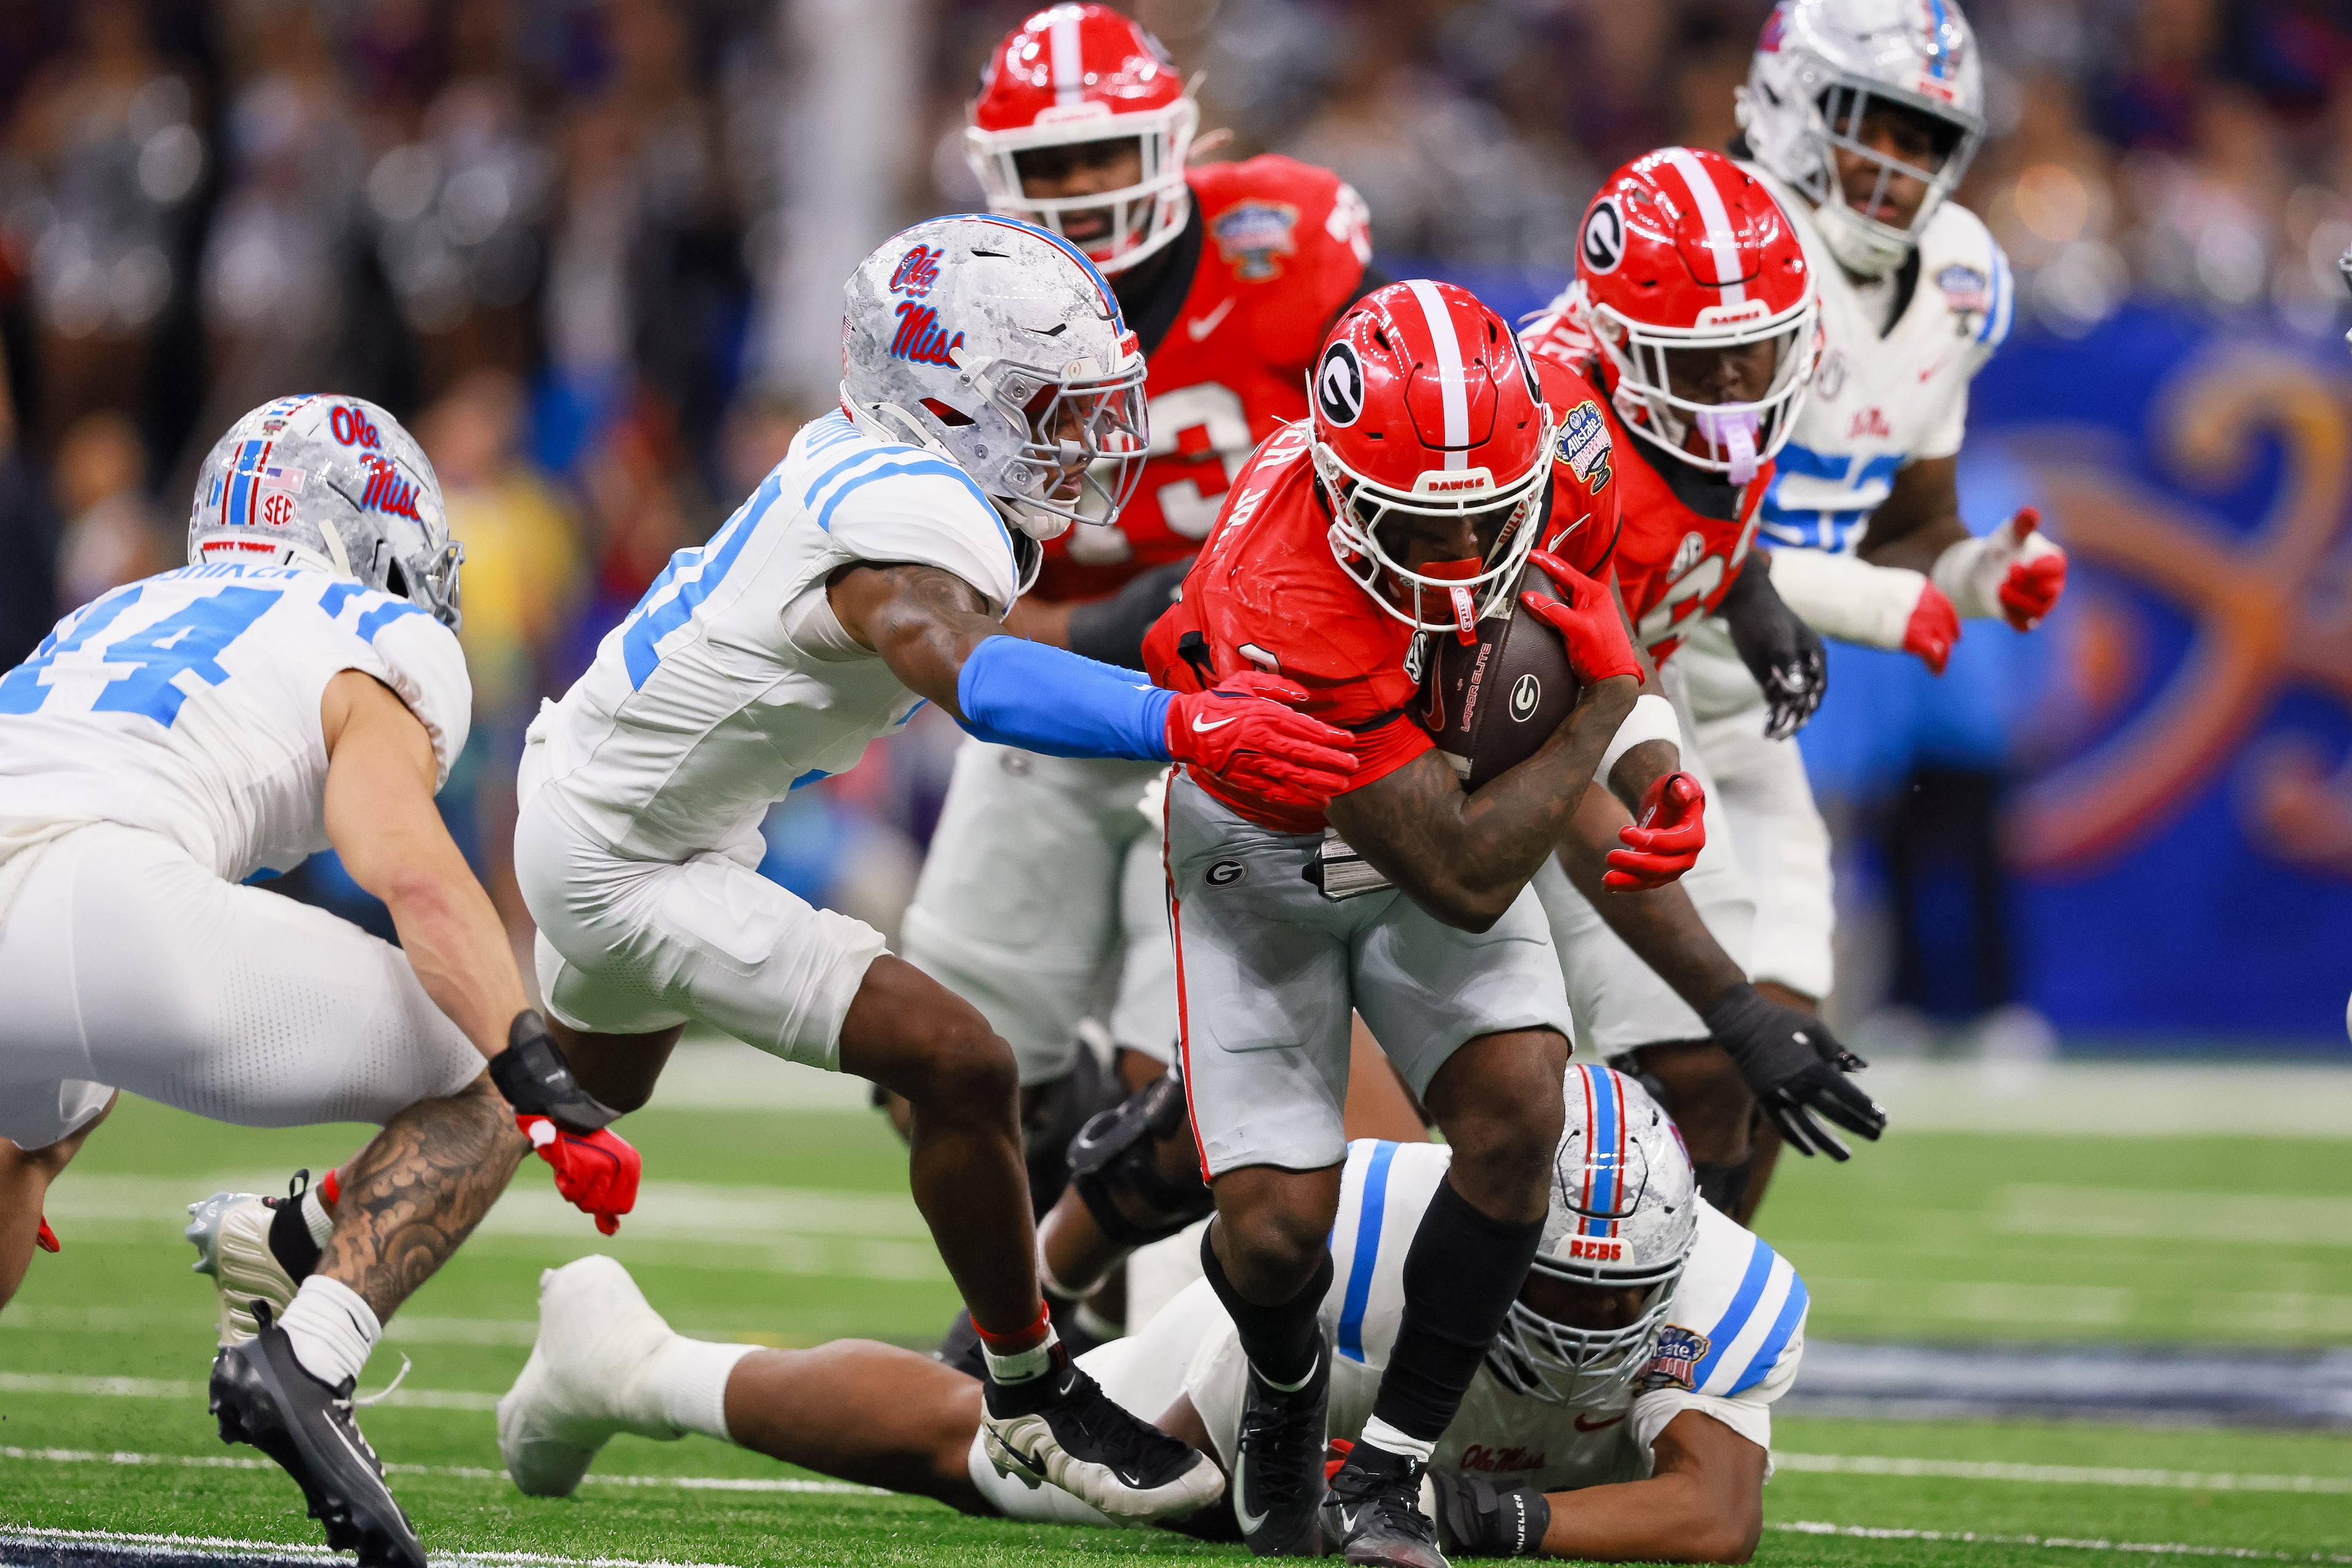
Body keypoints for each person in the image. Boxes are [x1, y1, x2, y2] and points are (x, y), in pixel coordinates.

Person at [507, 212, 1357, 1524]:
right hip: (629, 855)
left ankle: (318, 1231)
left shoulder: (880, 469)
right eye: (1049, 408)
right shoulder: (911, 511)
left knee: (585, 1083)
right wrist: (1179, 716)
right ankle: (1027, 1385)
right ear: (951, 401)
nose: (1082, 441)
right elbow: (965, 669)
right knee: (958, 1060)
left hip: (630, 806)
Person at [0, 394, 638, 1568]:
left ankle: (265, 1238)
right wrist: (530, 1068)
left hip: (51, 888)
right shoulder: (370, 633)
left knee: (29, 1144)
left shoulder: (114, 606)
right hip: (99, 901)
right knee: (478, 1074)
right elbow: (408, 866)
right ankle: (308, 1360)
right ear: (375, 527)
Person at [1137, 277, 1700, 1567]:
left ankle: (1386, 1471)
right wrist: (1609, 709)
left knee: (1521, 1111)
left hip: (1439, 795)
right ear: (1338, 485)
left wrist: (1650, 754)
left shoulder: (1570, 447)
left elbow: (1592, 621)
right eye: (1414, 529)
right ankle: (1282, 1377)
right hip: (1268, 840)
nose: (1453, 565)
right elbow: (1462, 872)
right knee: (1278, 1236)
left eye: (1479, 526)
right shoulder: (1281, 579)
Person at [495, 1066, 1804, 1566]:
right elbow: (1226, 1479)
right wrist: (1328, 1489)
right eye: (1554, 1286)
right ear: (1492, 1234)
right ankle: (631, 1364)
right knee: (1038, 1478)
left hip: (1423, 1430)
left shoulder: (1727, 1289)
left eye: (1612, 1297)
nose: (1583, 1325)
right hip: (1281, 1357)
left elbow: (1716, 1512)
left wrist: (1490, 1516)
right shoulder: (1380, 1240)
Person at [903, 4, 1381, 1165]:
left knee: (1176, 1089)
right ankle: (1041, 1269)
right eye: (1049, 163)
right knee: (935, 1059)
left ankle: (1104, 1257)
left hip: (1251, 706)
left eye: (1103, 151)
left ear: (1173, 140)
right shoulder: (956, 312)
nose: (1078, 186)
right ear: (992, 173)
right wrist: (1098, 625)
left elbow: (1389, 470)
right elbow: (930, 600)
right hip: (1061, 694)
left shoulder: (1290, 241)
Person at [1698, 0, 2062, 1214]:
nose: (1903, 165)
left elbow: (1910, 518)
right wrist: (1880, 601)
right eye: (1877, 127)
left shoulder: (1960, 275)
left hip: (1754, 718)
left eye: (1926, 136)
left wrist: (1974, 573)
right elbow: (1677, 538)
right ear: (1798, 102)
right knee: (1561, 1067)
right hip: (1613, 689)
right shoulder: (1724, 247)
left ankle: (1649, 1350)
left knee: (1780, 1046)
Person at [1518, 148, 1887, 1215]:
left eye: (1754, 353)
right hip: (1482, 755)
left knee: (1705, 1079)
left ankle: (1673, 1352)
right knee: (1460, 1110)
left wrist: (1744, 579)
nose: (1736, 387)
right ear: (1619, 346)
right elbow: (1566, 713)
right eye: (1701, 363)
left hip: (1598, 716)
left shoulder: (1699, 396)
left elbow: (1698, 493)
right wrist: (1728, 1002)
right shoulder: (1557, 438)